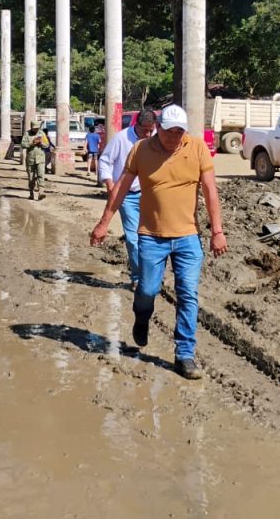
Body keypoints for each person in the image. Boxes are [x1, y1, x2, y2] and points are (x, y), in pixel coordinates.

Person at [90, 104, 227, 380]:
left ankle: (184, 354)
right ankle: (142, 317)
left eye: (179, 133)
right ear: (159, 128)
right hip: (151, 237)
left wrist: (217, 231)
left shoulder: (197, 148)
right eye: (169, 132)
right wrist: (104, 223)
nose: (174, 138)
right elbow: (121, 188)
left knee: (188, 295)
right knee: (147, 291)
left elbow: (211, 190)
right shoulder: (140, 150)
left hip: (188, 237)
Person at [96, 109, 158, 287]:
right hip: (127, 195)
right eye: (144, 130)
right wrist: (109, 184)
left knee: (153, 236)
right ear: (136, 125)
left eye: (151, 130)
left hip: (150, 194)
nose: (147, 134)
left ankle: (152, 272)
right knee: (133, 238)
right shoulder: (121, 139)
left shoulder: (156, 139)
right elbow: (105, 161)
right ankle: (139, 279)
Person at [20, 120, 50, 200]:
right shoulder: (27, 134)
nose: (36, 130)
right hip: (30, 159)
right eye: (34, 128)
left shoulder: (42, 133)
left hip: (40, 158)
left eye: (37, 128)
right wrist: (31, 143)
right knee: (31, 177)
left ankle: (41, 192)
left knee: (41, 175)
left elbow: (47, 145)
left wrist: (41, 143)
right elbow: (22, 145)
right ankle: (31, 194)